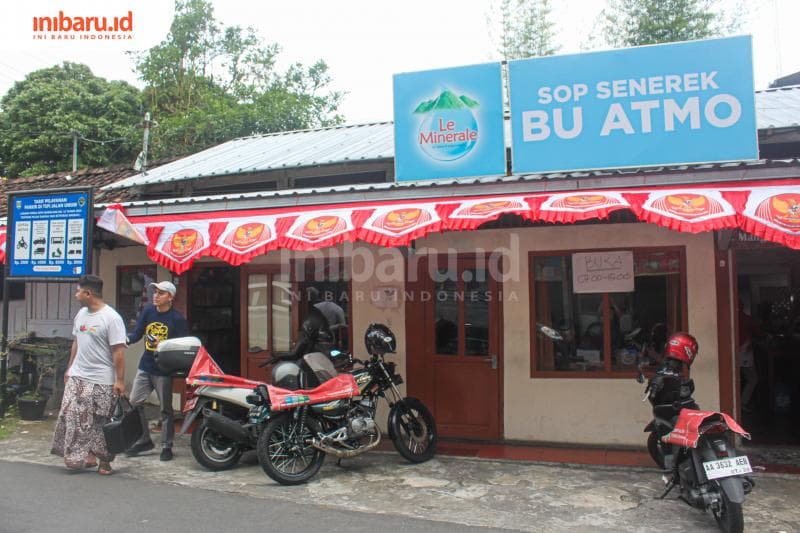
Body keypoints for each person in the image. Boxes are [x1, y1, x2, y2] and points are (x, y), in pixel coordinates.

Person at [51, 274, 127, 475]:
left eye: (78, 291)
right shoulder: (81, 315)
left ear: (88, 293)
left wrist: (119, 380)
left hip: (101, 379)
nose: (76, 295)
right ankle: (79, 457)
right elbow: (76, 342)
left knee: (99, 421)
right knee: (71, 415)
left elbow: (118, 351)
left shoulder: (111, 318)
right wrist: (69, 367)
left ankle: (104, 460)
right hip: (78, 376)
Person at [125, 280, 188, 461]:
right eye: (155, 292)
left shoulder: (177, 319)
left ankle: (166, 445)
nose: (156, 296)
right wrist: (127, 340)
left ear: (170, 297)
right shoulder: (148, 312)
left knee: (165, 410)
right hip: (146, 365)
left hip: (164, 370)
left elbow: (181, 346)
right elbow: (138, 332)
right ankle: (144, 439)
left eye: (160, 293)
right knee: (134, 401)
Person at [738, 300, 759, 414]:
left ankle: (739, 403)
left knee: (737, 379)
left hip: (733, 353)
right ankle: (742, 403)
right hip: (744, 352)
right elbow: (758, 331)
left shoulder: (729, 318)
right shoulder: (746, 318)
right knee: (752, 379)